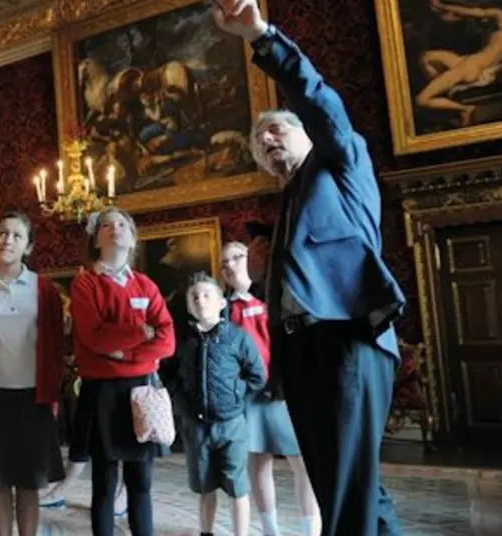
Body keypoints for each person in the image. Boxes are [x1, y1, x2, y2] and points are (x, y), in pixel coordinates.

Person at [213, 2, 406, 534]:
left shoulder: (340, 163)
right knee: (346, 485)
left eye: (277, 129)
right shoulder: (286, 210)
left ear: (307, 135)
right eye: (260, 141)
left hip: (345, 341)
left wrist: (260, 36)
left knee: (345, 493)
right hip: (300, 354)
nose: (268, 139)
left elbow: (320, 104)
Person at [69, 207, 175, 536]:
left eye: (121, 225)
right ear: (95, 239)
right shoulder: (85, 284)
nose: (114, 229)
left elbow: (167, 341)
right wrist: (142, 335)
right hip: (102, 395)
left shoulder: (146, 285)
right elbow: (94, 338)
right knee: (104, 484)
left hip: (140, 393)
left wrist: (121, 351)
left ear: (132, 238)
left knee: (141, 484)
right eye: (105, 226)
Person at [0, 212, 65, 536]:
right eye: (2, 233)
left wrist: (53, 394)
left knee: (29, 481)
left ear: (28, 247)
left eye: (16, 236)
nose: (7, 240)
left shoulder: (45, 290)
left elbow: (55, 347)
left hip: (32, 396)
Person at [220, 242, 320, 536]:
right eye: (225, 262)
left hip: (283, 391)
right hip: (248, 398)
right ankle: (270, 530)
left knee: (302, 462)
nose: (231, 265)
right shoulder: (223, 309)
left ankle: (311, 530)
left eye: (237, 257)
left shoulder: (275, 297)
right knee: (258, 463)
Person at [161, 272, 265, 536]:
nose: (200, 300)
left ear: (221, 302)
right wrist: (180, 399)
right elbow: (167, 374)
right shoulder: (181, 340)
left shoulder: (237, 337)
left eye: (207, 295)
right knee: (204, 486)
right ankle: (206, 532)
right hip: (195, 425)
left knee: (237, 486)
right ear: (188, 304)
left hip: (231, 424)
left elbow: (257, 375)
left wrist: (234, 392)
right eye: (194, 296)